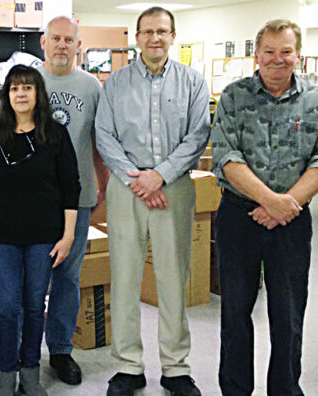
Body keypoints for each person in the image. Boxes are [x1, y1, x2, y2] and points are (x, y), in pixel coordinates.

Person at [0, 16, 108, 386]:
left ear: (78, 44)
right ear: (43, 42)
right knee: (17, 288)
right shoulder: (25, 81)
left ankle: (60, 350)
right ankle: (7, 354)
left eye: (69, 39)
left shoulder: (92, 86)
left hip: (72, 202)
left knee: (66, 277)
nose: (62, 45)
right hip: (20, 206)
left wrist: (103, 189)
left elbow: (100, 143)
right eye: (56, 39)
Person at [95, 7, 210, 396]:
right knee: (125, 277)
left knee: (173, 278)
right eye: (147, 32)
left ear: (173, 36)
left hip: (173, 187)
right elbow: (104, 135)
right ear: (137, 37)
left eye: (162, 31)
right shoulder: (115, 84)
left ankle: (176, 368)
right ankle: (128, 366)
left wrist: (160, 175)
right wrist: (138, 178)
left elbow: (197, 136)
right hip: (126, 188)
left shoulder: (193, 83)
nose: (155, 38)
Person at [211, 19, 318, 396]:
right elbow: (225, 157)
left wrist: (285, 206)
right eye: (269, 52)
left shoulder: (315, 100)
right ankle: (236, 390)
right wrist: (271, 202)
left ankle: (286, 389)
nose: (277, 60)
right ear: (256, 55)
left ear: (298, 55)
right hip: (239, 219)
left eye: (285, 51)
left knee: (288, 315)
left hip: (292, 222)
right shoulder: (234, 96)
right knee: (235, 313)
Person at [0, 65, 81, 396]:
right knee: (9, 306)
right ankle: (5, 373)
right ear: (7, 94)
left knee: (33, 306)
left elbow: (70, 187)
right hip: (4, 236)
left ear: (37, 94)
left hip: (45, 235)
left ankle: (30, 372)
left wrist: (68, 235)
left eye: (27, 88)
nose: (20, 93)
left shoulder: (55, 134)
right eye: (14, 88)